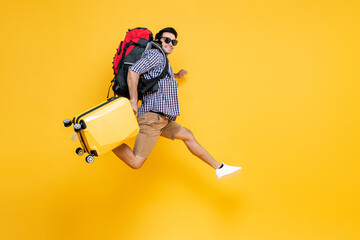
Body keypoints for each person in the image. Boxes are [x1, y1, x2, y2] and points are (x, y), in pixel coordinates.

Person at [112, 27, 242, 179]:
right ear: (158, 40)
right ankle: (105, 139)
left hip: (162, 118)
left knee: (188, 135)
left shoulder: (162, 59)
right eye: (167, 40)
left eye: (174, 41)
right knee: (136, 162)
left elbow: (154, 76)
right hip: (153, 118)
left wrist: (176, 75)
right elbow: (134, 71)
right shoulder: (156, 54)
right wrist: (134, 101)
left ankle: (220, 168)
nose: (171, 44)